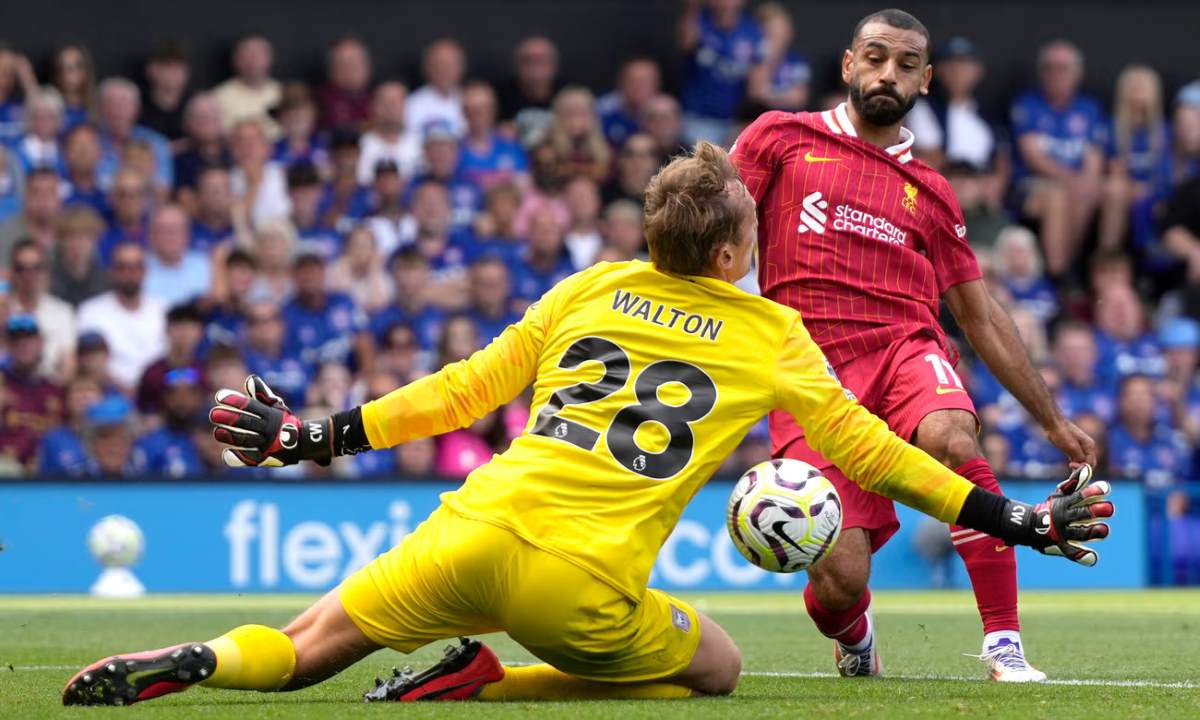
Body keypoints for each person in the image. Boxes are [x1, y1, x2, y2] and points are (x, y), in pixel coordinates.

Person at [63, 141, 1112, 706]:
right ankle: (491, 682)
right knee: (716, 669)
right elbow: (875, 452)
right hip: (580, 587)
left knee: (302, 652)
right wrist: (1010, 517)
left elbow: (458, 391)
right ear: (731, 251)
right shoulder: (769, 332)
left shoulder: (588, 289)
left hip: (468, 529)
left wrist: (311, 440)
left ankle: (203, 658)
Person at [729, 9, 1097, 681]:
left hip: (904, 347)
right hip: (809, 374)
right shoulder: (779, 138)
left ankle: (1003, 643)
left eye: (903, 64)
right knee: (838, 577)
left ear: (925, 80)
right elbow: (713, 226)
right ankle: (855, 633)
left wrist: (1050, 419)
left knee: (953, 437)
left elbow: (980, 318)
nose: (885, 73)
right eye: (873, 57)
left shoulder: (932, 193)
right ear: (848, 65)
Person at [1009, 41, 1106, 279]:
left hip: (1075, 184)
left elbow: (1095, 156)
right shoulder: (1027, 104)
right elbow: (1034, 158)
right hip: (1031, 185)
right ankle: (1057, 274)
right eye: (1049, 67)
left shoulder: (1089, 108)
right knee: (1059, 195)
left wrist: (1086, 182)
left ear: (1077, 73)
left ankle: (1087, 269)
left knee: (1099, 191)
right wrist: (1075, 180)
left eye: (1063, 68)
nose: (1056, 74)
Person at [76, 242, 168, 391]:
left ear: (145, 271)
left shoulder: (163, 309)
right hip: (107, 392)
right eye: (122, 267)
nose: (129, 274)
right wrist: (123, 390)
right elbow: (88, 362)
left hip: (159, 392)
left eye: (135, 267)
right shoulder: (90, 311)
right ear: (111, 271)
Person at [677, 0, 765, 144]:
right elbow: (686, 44)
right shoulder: (698, 22)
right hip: (697, 118)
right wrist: (692, 8)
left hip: (735, 121)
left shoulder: (753, 31)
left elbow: (756, 85)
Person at [0, 315, 64, 469]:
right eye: (16, 340)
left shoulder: (55, 389)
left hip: (49, 472)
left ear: (41, 343)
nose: (23, 345)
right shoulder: (2, 385)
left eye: (29, 339)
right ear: (7, 346)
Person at [8, 239, 75, 381]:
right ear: (12, 272)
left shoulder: (62, 312)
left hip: (49, 389)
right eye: (21, 268)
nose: (29, 275)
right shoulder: (3, 310)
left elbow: (69, 364)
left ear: (46, 271)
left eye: (36, 268)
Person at [1107, 374, 1190, 489]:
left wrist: (1181, 494)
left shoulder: (1172, 441)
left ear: (1155, 401)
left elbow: (1186, 482)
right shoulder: (1108, 442)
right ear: (1119, 401)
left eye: (1145, 395)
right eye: (1132, 395)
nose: (1139, 402)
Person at [95, 77, 173, 191]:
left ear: (136, 109)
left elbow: (162, 191)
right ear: (100, 109)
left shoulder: (157, 143)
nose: (117, 110)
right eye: (111, 104)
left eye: (124, 104)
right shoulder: (90, 142)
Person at [133, 367, 205, 477]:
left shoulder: (211, 441)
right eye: (175, 394)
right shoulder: (150, 444)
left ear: (198, 398)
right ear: (165, 398)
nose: (182, 400)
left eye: (189, 394)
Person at [137, 301, 205, 417]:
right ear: (167, 331)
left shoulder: (206, 371)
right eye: (179, 327)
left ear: (200, 333)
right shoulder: (153, 372)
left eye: (190, 327)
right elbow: (142, 409)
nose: (184, 333)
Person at [458, 80, 528, 191]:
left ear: (494, 110)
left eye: (484, 109)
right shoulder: (455, 151)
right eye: (473, 110)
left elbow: (524, 187)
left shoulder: (511, 147)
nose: (478, 116)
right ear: (463, 112)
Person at [496, 36, 562, 147]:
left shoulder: (566, 94)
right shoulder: (500, 97)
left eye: (542, 61)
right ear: (517, 66)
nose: (535, 68)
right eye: (528, 61)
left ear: (554, 65)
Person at [745, 2, 810, 112]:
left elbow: (799, 98)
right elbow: (756, 93)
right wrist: (767, 58)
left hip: (791, 118)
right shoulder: (756, 58)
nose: (776, 36)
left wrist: (770, 94)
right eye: (770, 31)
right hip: (759, 117)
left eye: (780, 29)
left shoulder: (797, 61)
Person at [144, 204, 212, 306]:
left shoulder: (206, 265)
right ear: (151, 235)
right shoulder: (138, 268)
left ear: (188, 235)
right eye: (163, 229)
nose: (171, 235)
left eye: (177, 229)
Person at [211, 36, 281, 133]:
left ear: (270, 58)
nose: (253, 61)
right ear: (235, 60)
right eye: (246, 55)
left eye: (258, 54)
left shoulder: (282, 93)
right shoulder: (218, 97)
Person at [356, 82, 421, 183]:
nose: (390, 108)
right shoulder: (360, 145)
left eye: (395, 103)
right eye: (385, 103)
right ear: (373, 106)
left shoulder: (420, 144)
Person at [49, 205, 109, 307]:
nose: (77, 244)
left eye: (83, 238)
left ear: (95, 241)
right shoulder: (48, 279)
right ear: (60, 241)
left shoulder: (105, 282)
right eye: (71, 238)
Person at [406, 39, 467, 139]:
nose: (443, 70)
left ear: (460, 68)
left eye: (449, 65)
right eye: (438, 64)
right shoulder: (412, 104)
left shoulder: (470, 102)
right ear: (426, 67)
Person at [0, 168, 60, 267]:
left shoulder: (69, 232)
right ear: (25, 198)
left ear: (59, 199)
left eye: (50, 193)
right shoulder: (6, 233)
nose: (43, 200)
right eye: (36, 193)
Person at [597, 58, 662, 148]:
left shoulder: (668, 110)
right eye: (634, 80)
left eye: (645, 81)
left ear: (657, 84)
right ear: (621, 82)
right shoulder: (603, 110)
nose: (639, 86)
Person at [139, 41, 192, 144]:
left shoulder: (195, 104)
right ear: (151, 69)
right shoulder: (138, 106)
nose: (173, 73)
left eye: (179, 67)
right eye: (167, 66)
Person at [316, 36, 372, 131]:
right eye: (342, 65)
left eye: (354, 64)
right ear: (331, 70)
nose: (349, 71)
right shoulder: (319, 102)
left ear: (367, 67)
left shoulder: (379, 98)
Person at [61, 123, 107, 214]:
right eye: (77, 145)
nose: (83, 151)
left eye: (89, 145)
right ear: (65, 153)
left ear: (101, 152)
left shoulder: (111, 192)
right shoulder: (56, 193)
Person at [52, 45, 96, 131]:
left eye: (72, 68)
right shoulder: (51, 108)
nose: (66, 74)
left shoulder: (97, 109)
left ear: (85, 72)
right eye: (61, 68)